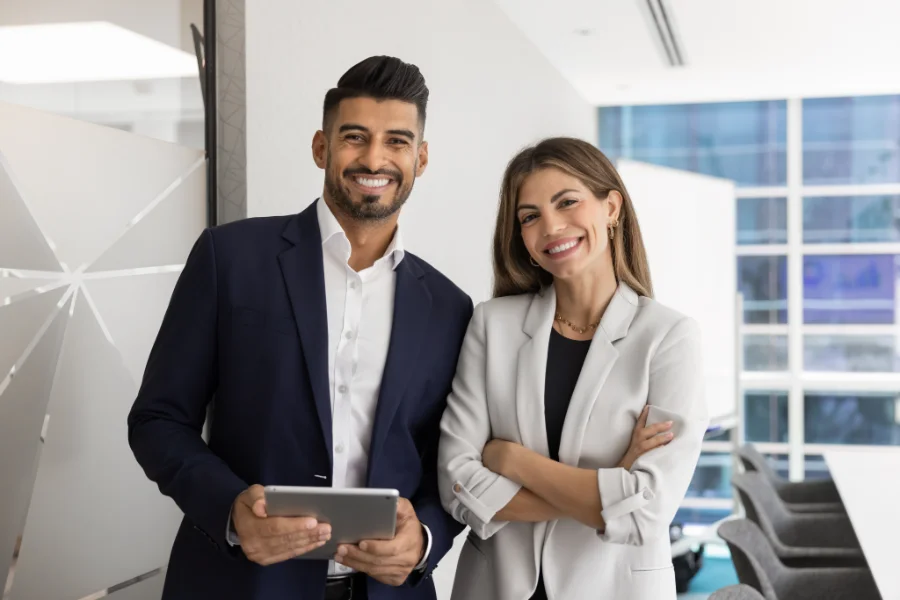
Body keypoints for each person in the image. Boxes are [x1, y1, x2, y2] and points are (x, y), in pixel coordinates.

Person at [127, 56, 471, 600]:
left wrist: (426, 539)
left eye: (397, 141)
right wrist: (230, 510)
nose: (375, 158)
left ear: (421, 158)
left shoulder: (450, 307)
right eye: (354, 137)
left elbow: (453, 460)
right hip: (238, 583)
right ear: (321, 147)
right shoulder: (230, 258)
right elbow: (157, 419)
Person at [438, 137, 709, 600]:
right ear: (520, 237)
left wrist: (513, 460)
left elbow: (646, 511)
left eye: (567, 202)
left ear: (611, 207)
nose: (551, 226)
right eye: (530, 216)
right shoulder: (492, 324)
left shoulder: (668, 337)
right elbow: (456, 480)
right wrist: (606, 489)